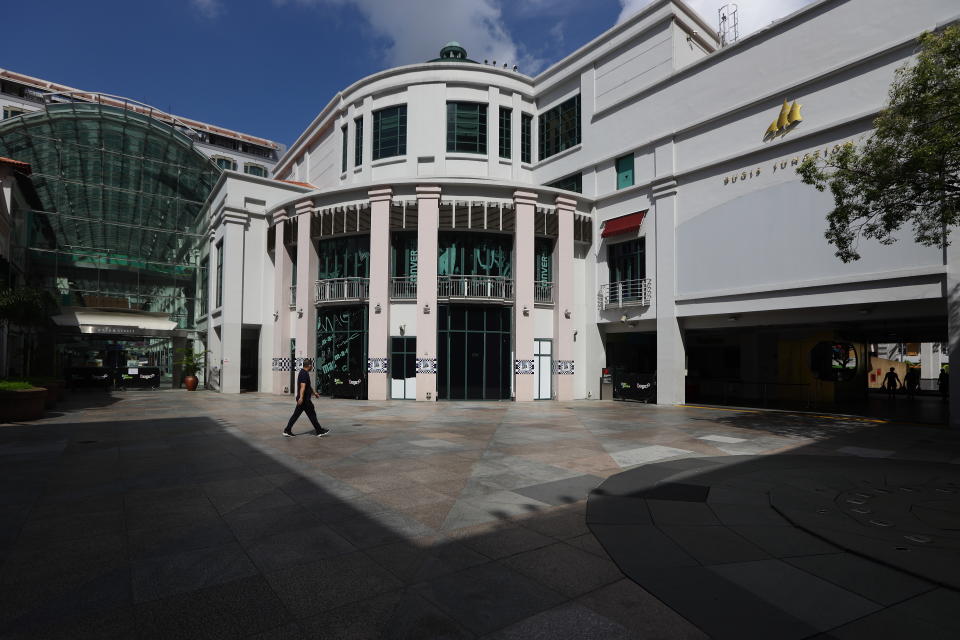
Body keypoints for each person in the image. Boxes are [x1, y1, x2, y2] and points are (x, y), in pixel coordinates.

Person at [283, 359, 330, 438]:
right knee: (311, 414)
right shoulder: (304, 374)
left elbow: (308, 386)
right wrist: (301, 397)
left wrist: (314, 393)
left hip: (304, 399)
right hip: (304, 400)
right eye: (312, 365)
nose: (312, 367)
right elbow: (303, 387)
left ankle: (287, 430)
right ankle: (319, 431)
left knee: (298, 415)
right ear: (309, 366)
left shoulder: (303, 372)